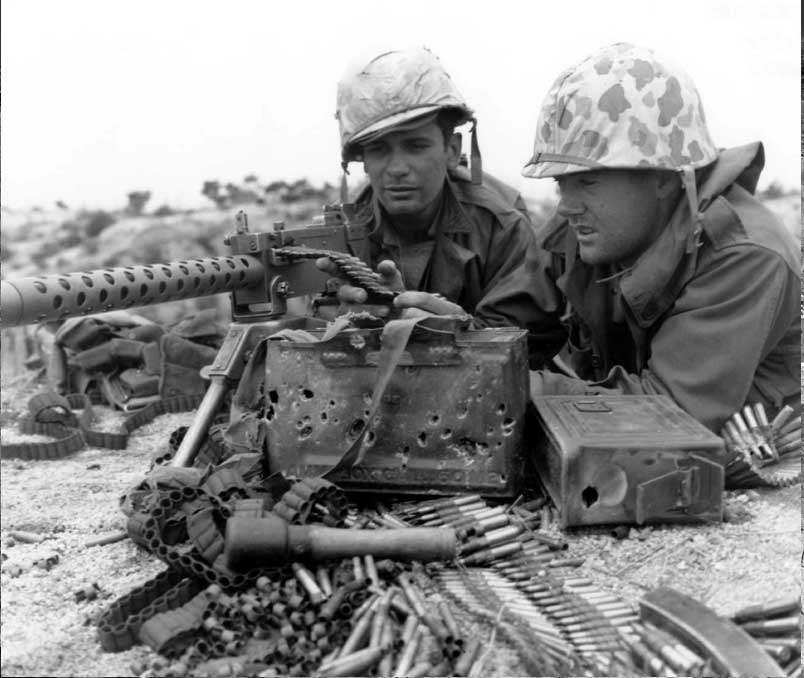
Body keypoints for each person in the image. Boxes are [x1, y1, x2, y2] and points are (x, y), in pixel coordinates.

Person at [521, 42, 800, 432]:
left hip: (740, 456)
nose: (566, 206)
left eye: (587, 181)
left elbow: (668, 420)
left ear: (665, 179)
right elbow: (511, 323)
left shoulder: (746, 256)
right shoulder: (586, 227)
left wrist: (514, 387)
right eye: (560, 183)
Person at [317, 47, 566, 367]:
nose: (397, 168)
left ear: (451, 150)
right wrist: (346, 322)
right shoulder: (345, 229)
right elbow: (318, 336)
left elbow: (526, 346)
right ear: (362, 160)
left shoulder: (500, 226)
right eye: (378, 149)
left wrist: (454, 333)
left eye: (415, 146)